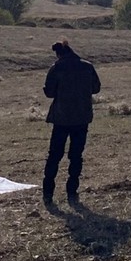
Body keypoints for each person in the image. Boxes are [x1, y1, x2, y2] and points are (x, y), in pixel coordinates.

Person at [41, 40, 101, 205]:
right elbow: (96, 88)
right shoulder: (87, 67)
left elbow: (49, 92)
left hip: (61, 118)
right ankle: (72, 191)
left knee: (54, 155)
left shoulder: (57, 67)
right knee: (76, 156)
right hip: (82, 118)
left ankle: (48, 192)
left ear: (59, 53)